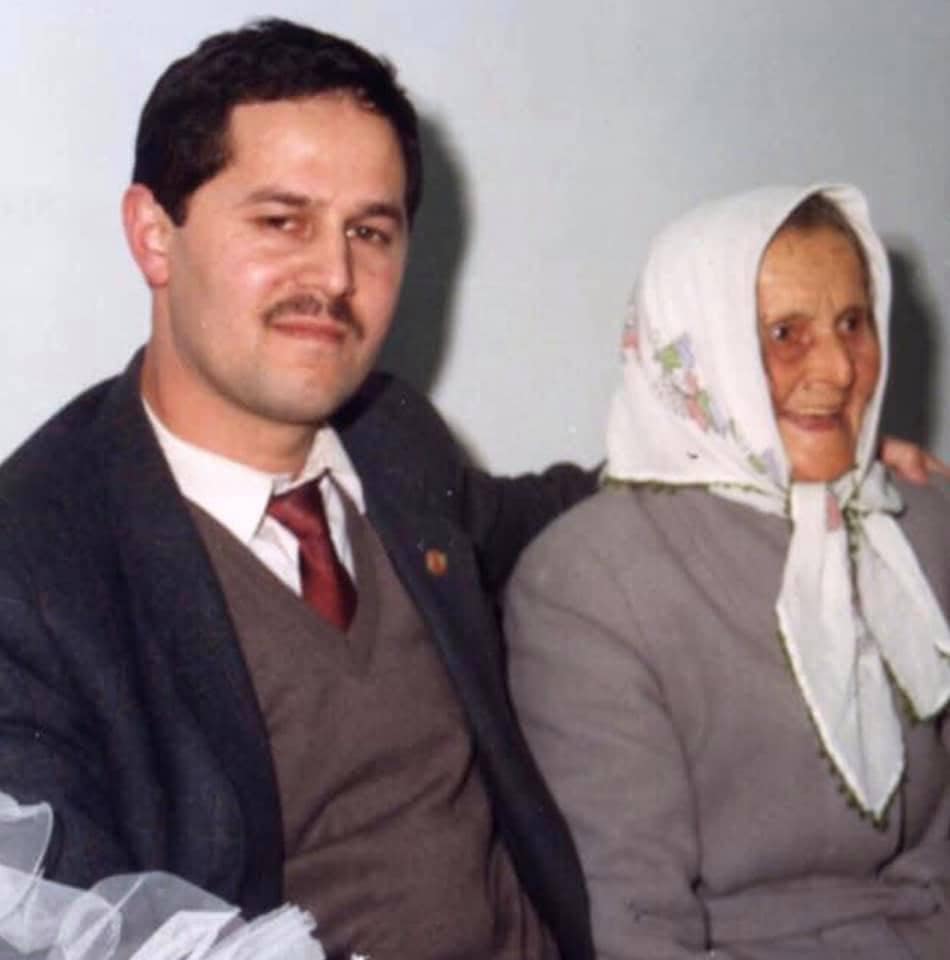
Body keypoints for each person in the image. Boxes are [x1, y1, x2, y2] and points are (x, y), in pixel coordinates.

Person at [0, 19, 597, 960]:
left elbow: (535, 520)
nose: (335, 277)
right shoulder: (34, 567)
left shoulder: (394, 437)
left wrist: (753, 438)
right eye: (283, 222)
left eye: (370, 231)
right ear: (154, 236)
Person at [506, 185, 950, 959]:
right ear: (700, 355)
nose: (837, 368)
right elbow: (636, 926)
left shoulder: (916, 525)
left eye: (853, 323)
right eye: (785, 334)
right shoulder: (588, 584)